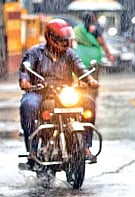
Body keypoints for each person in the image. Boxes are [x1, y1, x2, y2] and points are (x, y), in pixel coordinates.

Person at [18, 18, 99, 165]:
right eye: (63, 40)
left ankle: (86, 146)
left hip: (64, 93)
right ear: (50, 37)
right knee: (28, 105)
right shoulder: (35, 52)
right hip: (40, 93)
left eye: (67, 40)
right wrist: (25, 81)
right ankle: (33, 150)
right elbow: (26, 68)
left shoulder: (69, 54)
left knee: (89, 102)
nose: (66, 43)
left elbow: (80, 68)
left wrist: (90, 80)